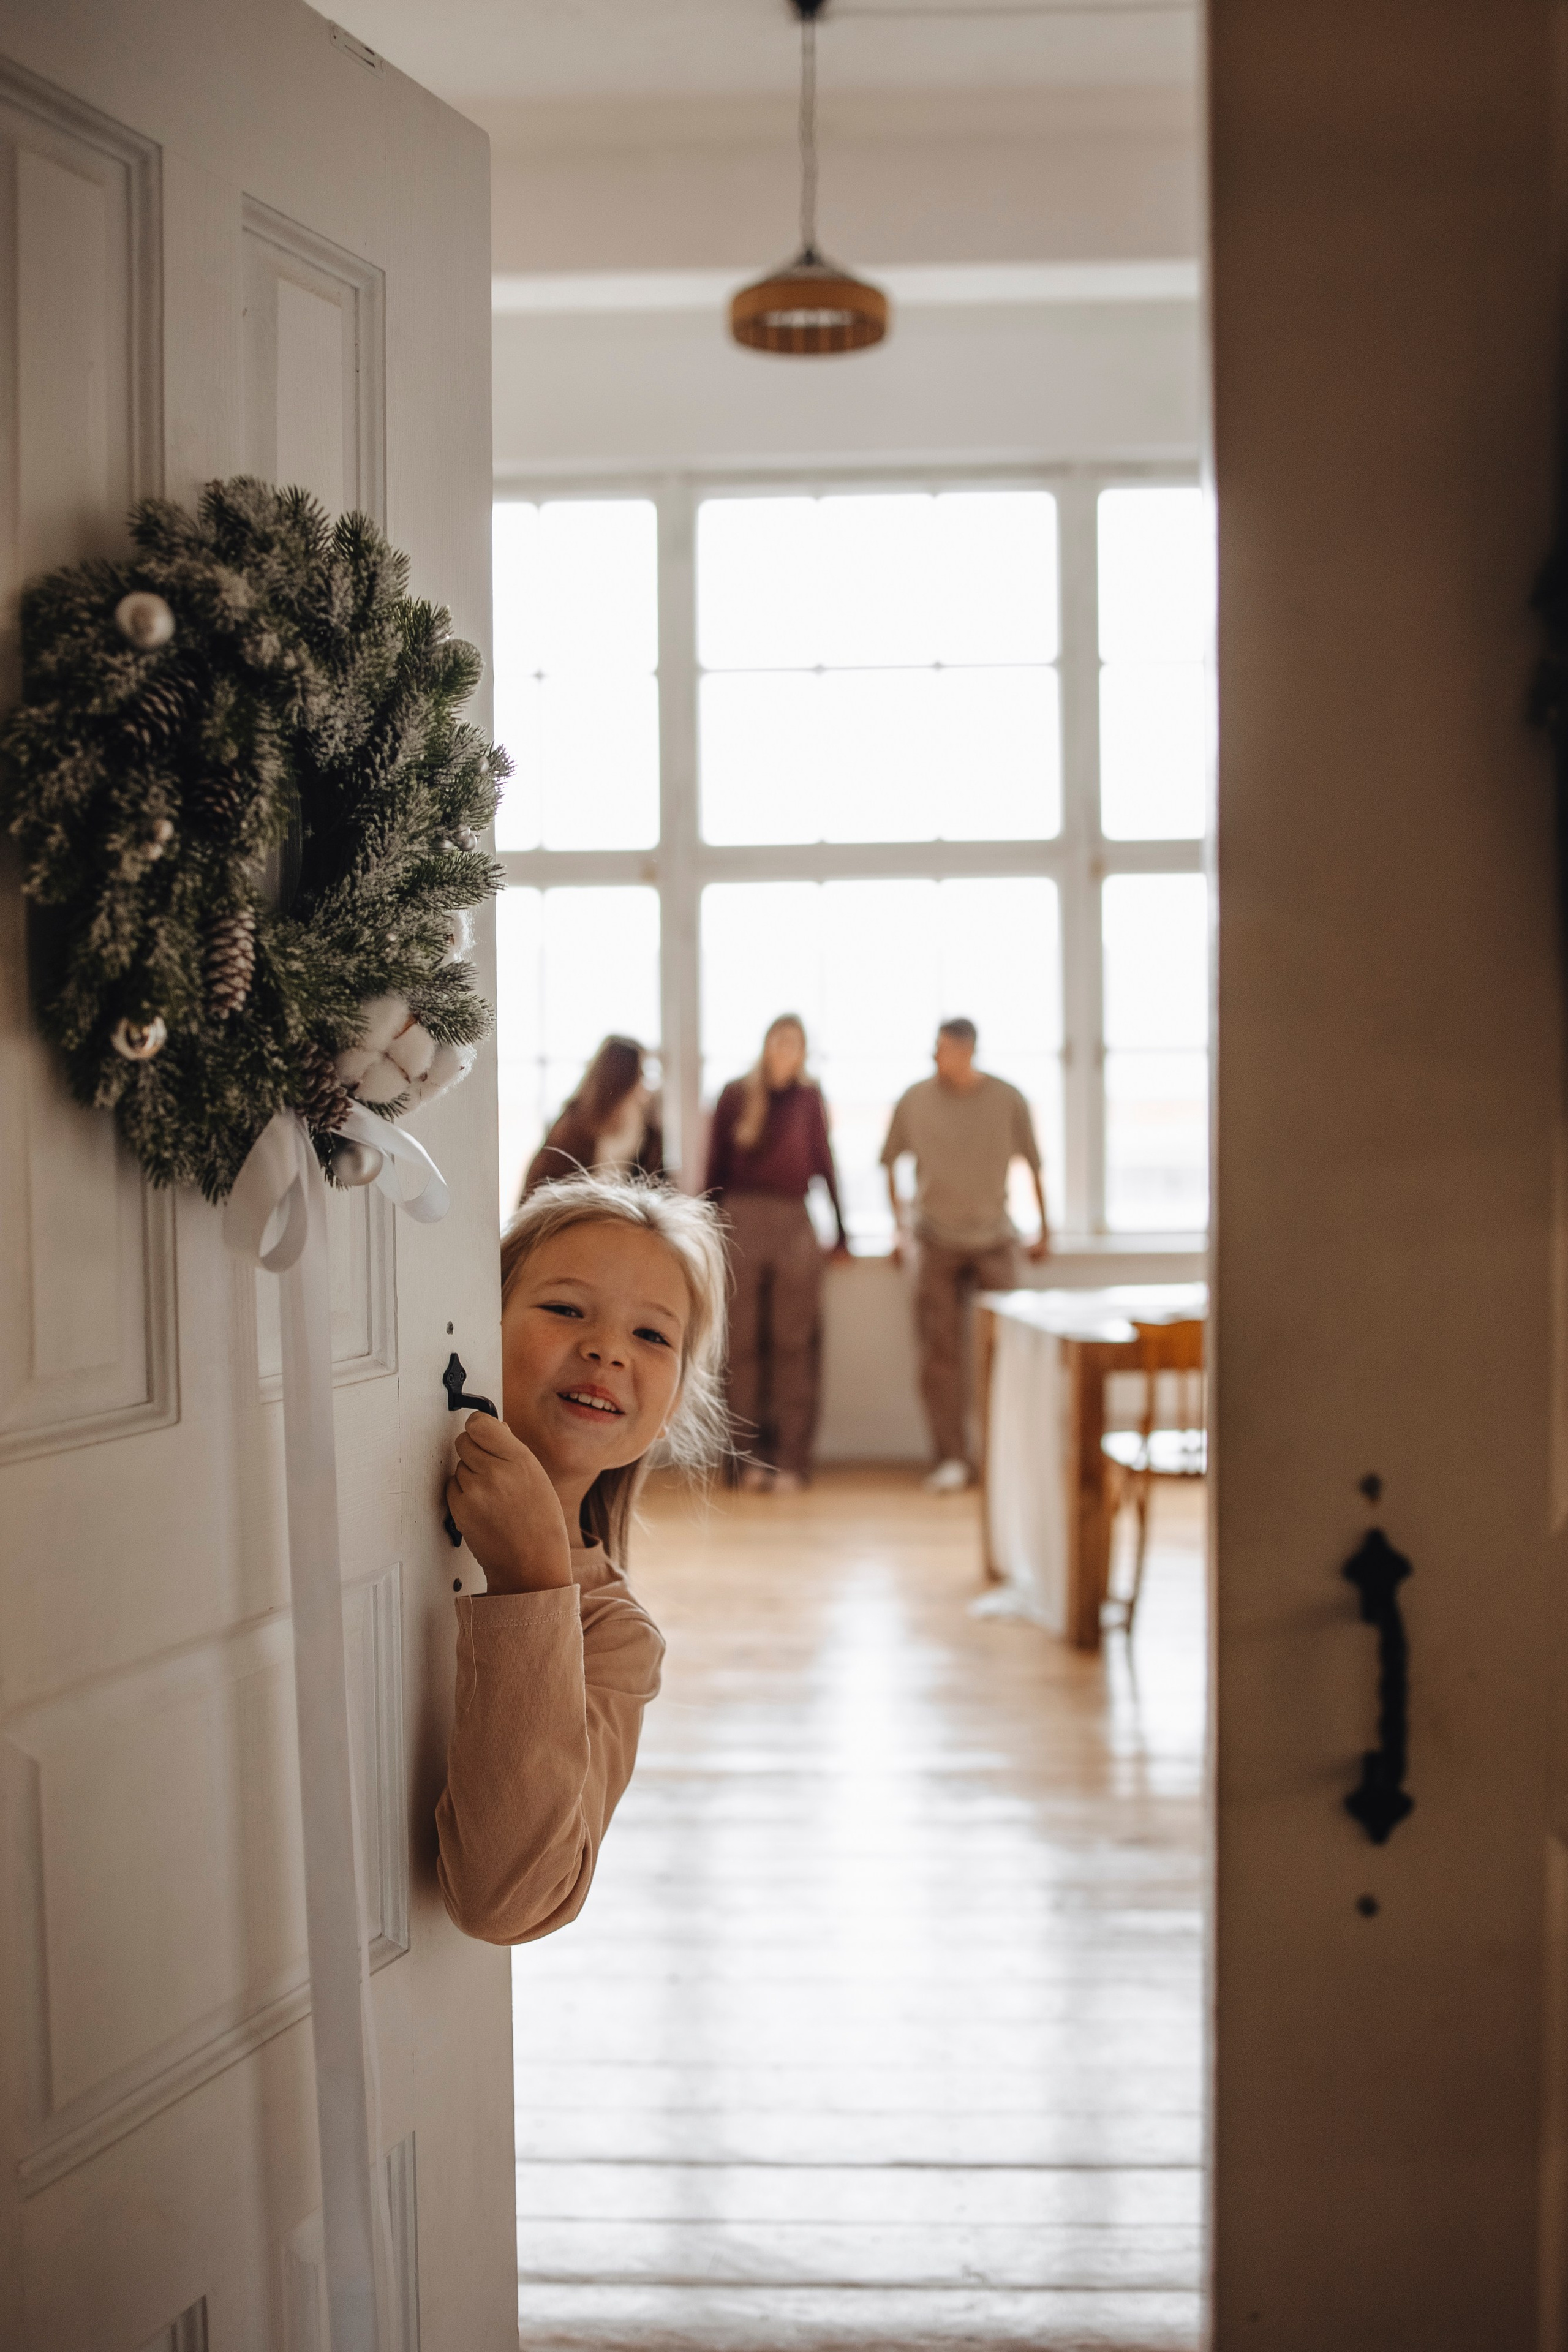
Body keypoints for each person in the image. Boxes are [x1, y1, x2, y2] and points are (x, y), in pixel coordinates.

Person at [435, 1173, 728, 1943]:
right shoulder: (376, 1495)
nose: (605, 1350)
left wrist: (533, 1582)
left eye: (653, 1336)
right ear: (481, 1319)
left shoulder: (618, 1641)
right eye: (566, 1310)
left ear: (671, 1410)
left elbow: (506, 1902)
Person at [881, 1017, 1049, 1494]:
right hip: (934, 1240)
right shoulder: (914, 1100)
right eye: (934, 1048)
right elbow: (889, 1164)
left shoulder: (1007, 1099)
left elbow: (1034, 1165)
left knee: (1009, 1350)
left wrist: (1045, 1229)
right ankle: (952, 1457)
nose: (936, 1057)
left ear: (968, 1050)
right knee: (940, 1355)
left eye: (944, 1049)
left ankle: (1005, 1455)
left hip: (995, 1239)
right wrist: (899, 1229)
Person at [705, 1013, 849, 1493]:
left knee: (794, 1345)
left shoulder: (809, 1099)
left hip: (795, 1223)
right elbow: (714, 1168)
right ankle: (746, 1462)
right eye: (780, 1040)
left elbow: (826, 1162)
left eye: (796, 1043)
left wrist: (843, 1231)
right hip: (740, 1218)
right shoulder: (734, 1095)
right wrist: (706, 1231)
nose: (787, 1050)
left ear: (804, 1051)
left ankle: (791, 1461)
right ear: (767, 1045)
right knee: (741, 1346)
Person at [522, 1034, 663, 1199]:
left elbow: (659, 1186)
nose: (644, 1082)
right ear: (623, 1078)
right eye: (641, 1073)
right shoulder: (571, 1128)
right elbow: (540, 1191)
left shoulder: (647, 1132)